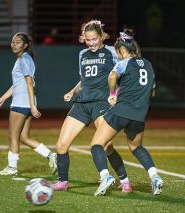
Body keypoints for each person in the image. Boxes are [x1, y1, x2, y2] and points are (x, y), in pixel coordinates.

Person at [52, 20, 132, 193]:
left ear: (101, 36)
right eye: (88, 40)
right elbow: (84, 80)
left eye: (94, 39)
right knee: (61, 145)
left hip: (102, 103)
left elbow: (125, 73)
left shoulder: (112, 52)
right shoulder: (82, 54)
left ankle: (124, 180)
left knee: (106, 145)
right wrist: (72, 92)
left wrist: (117, 95)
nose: (91, 43)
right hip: (82, 103)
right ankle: (63, 182)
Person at [90, 28, 163, 196]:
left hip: (121, 111)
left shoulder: (124, 62)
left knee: (97, 145)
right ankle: (155, 176)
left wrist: (113, 94)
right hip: (139, 116)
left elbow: (111, 77)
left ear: (122, 50)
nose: (118, 56)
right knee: (136, 147)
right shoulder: (149, 65)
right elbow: (152, 92)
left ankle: (106, 177)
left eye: (118, 53)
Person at [0, 32, 57, 176]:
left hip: (22, 103)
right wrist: (3, 98)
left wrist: (32, 106)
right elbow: (18, 84)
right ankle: (51, 156)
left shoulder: (24, 59)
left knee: (13, 136)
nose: (14, 44)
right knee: (24, 137)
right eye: (13, 42)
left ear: (25, 45)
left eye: (17, 42)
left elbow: (29, 82)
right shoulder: (23, 59)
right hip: (26, 103)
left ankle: (12, 167)